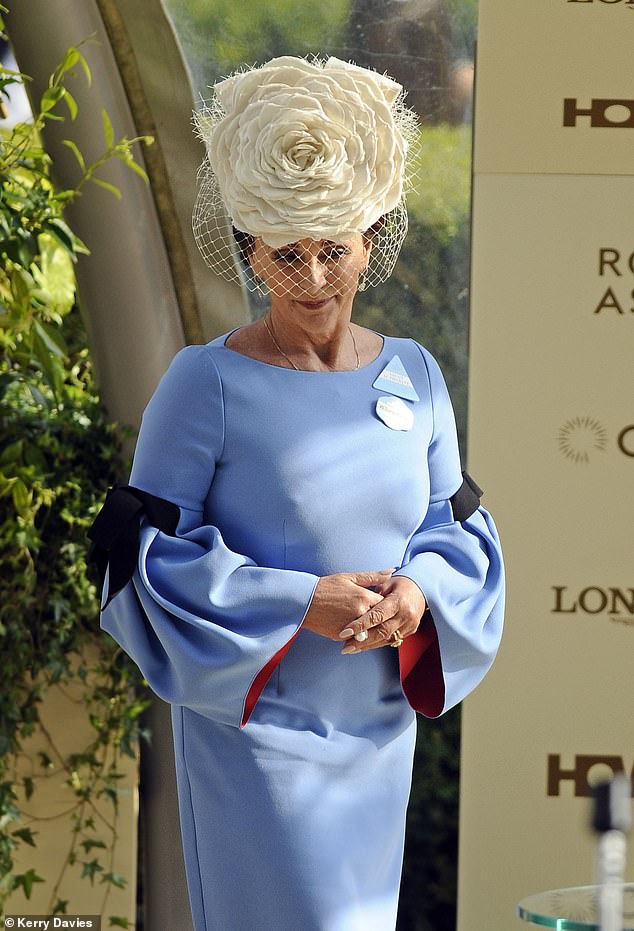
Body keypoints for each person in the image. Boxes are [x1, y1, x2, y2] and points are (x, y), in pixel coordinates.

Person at [90, 56, 504, 931]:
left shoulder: (417, 374)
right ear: (250, 249)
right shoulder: (204, 383)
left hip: (378, 731)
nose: (314, 278)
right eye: (287, 256)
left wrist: (420, 590)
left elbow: (454, 525)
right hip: (257, 737)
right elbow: (139, 559)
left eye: (333, 251)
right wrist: (302, 599)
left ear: (371, 239)